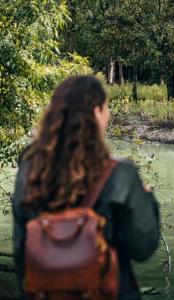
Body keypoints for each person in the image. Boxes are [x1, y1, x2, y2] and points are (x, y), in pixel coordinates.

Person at [12, 75, 160, 300]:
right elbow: (143, 248)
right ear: (96, 113)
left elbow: (21, 247)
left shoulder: (29, 169)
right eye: (106, 108)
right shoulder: (120, 175)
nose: (108, 115)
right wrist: (147, 199)